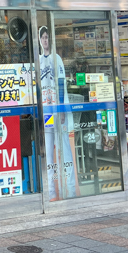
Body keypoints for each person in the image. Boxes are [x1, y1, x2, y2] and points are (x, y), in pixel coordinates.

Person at [38, 26, 77, 200]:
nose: (45, 40)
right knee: (48, 150)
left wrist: (61, 108)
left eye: (47, 37)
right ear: (39, 40)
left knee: (64, 149)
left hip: (57, 109)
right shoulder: (38, 60)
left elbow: (61, 83)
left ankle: (69, 188)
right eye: (43, 37)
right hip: (46, 111)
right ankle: (51, 191)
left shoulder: (57, 58)